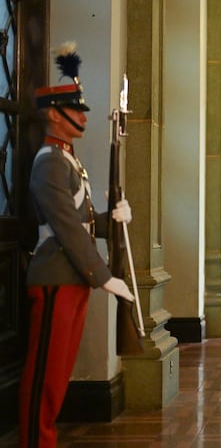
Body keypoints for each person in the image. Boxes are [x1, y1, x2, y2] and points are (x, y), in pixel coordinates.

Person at [18, 43, 135, 448]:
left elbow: (83, 222)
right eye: (76, 109)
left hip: (72, 278)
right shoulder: (50, 161)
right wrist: (104, 276)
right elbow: (66, 228)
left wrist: (110, 221)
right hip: (56, 276)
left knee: (59, 369)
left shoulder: (69, 160)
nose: (83, 116)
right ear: (54, 113)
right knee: (45, 374)